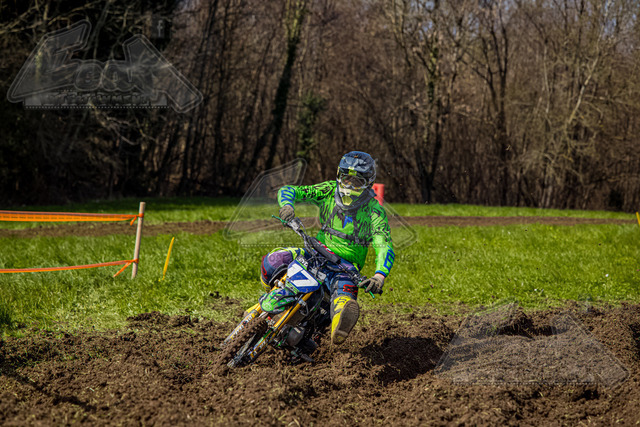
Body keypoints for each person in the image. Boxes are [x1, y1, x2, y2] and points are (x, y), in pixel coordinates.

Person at [260, 151, 395, 345]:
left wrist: (379, 276)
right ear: (339, 175)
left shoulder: (375, 211)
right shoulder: (329, 190)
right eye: (346, 179)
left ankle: (338, 327)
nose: (350, 186)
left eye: (357, 182)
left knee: (343, 304)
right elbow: (289, 190)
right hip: (314, 252)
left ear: (368, 183)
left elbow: (384, 245)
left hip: (346, 269)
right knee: (274, 260)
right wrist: (287, 206)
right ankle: (270, 296)